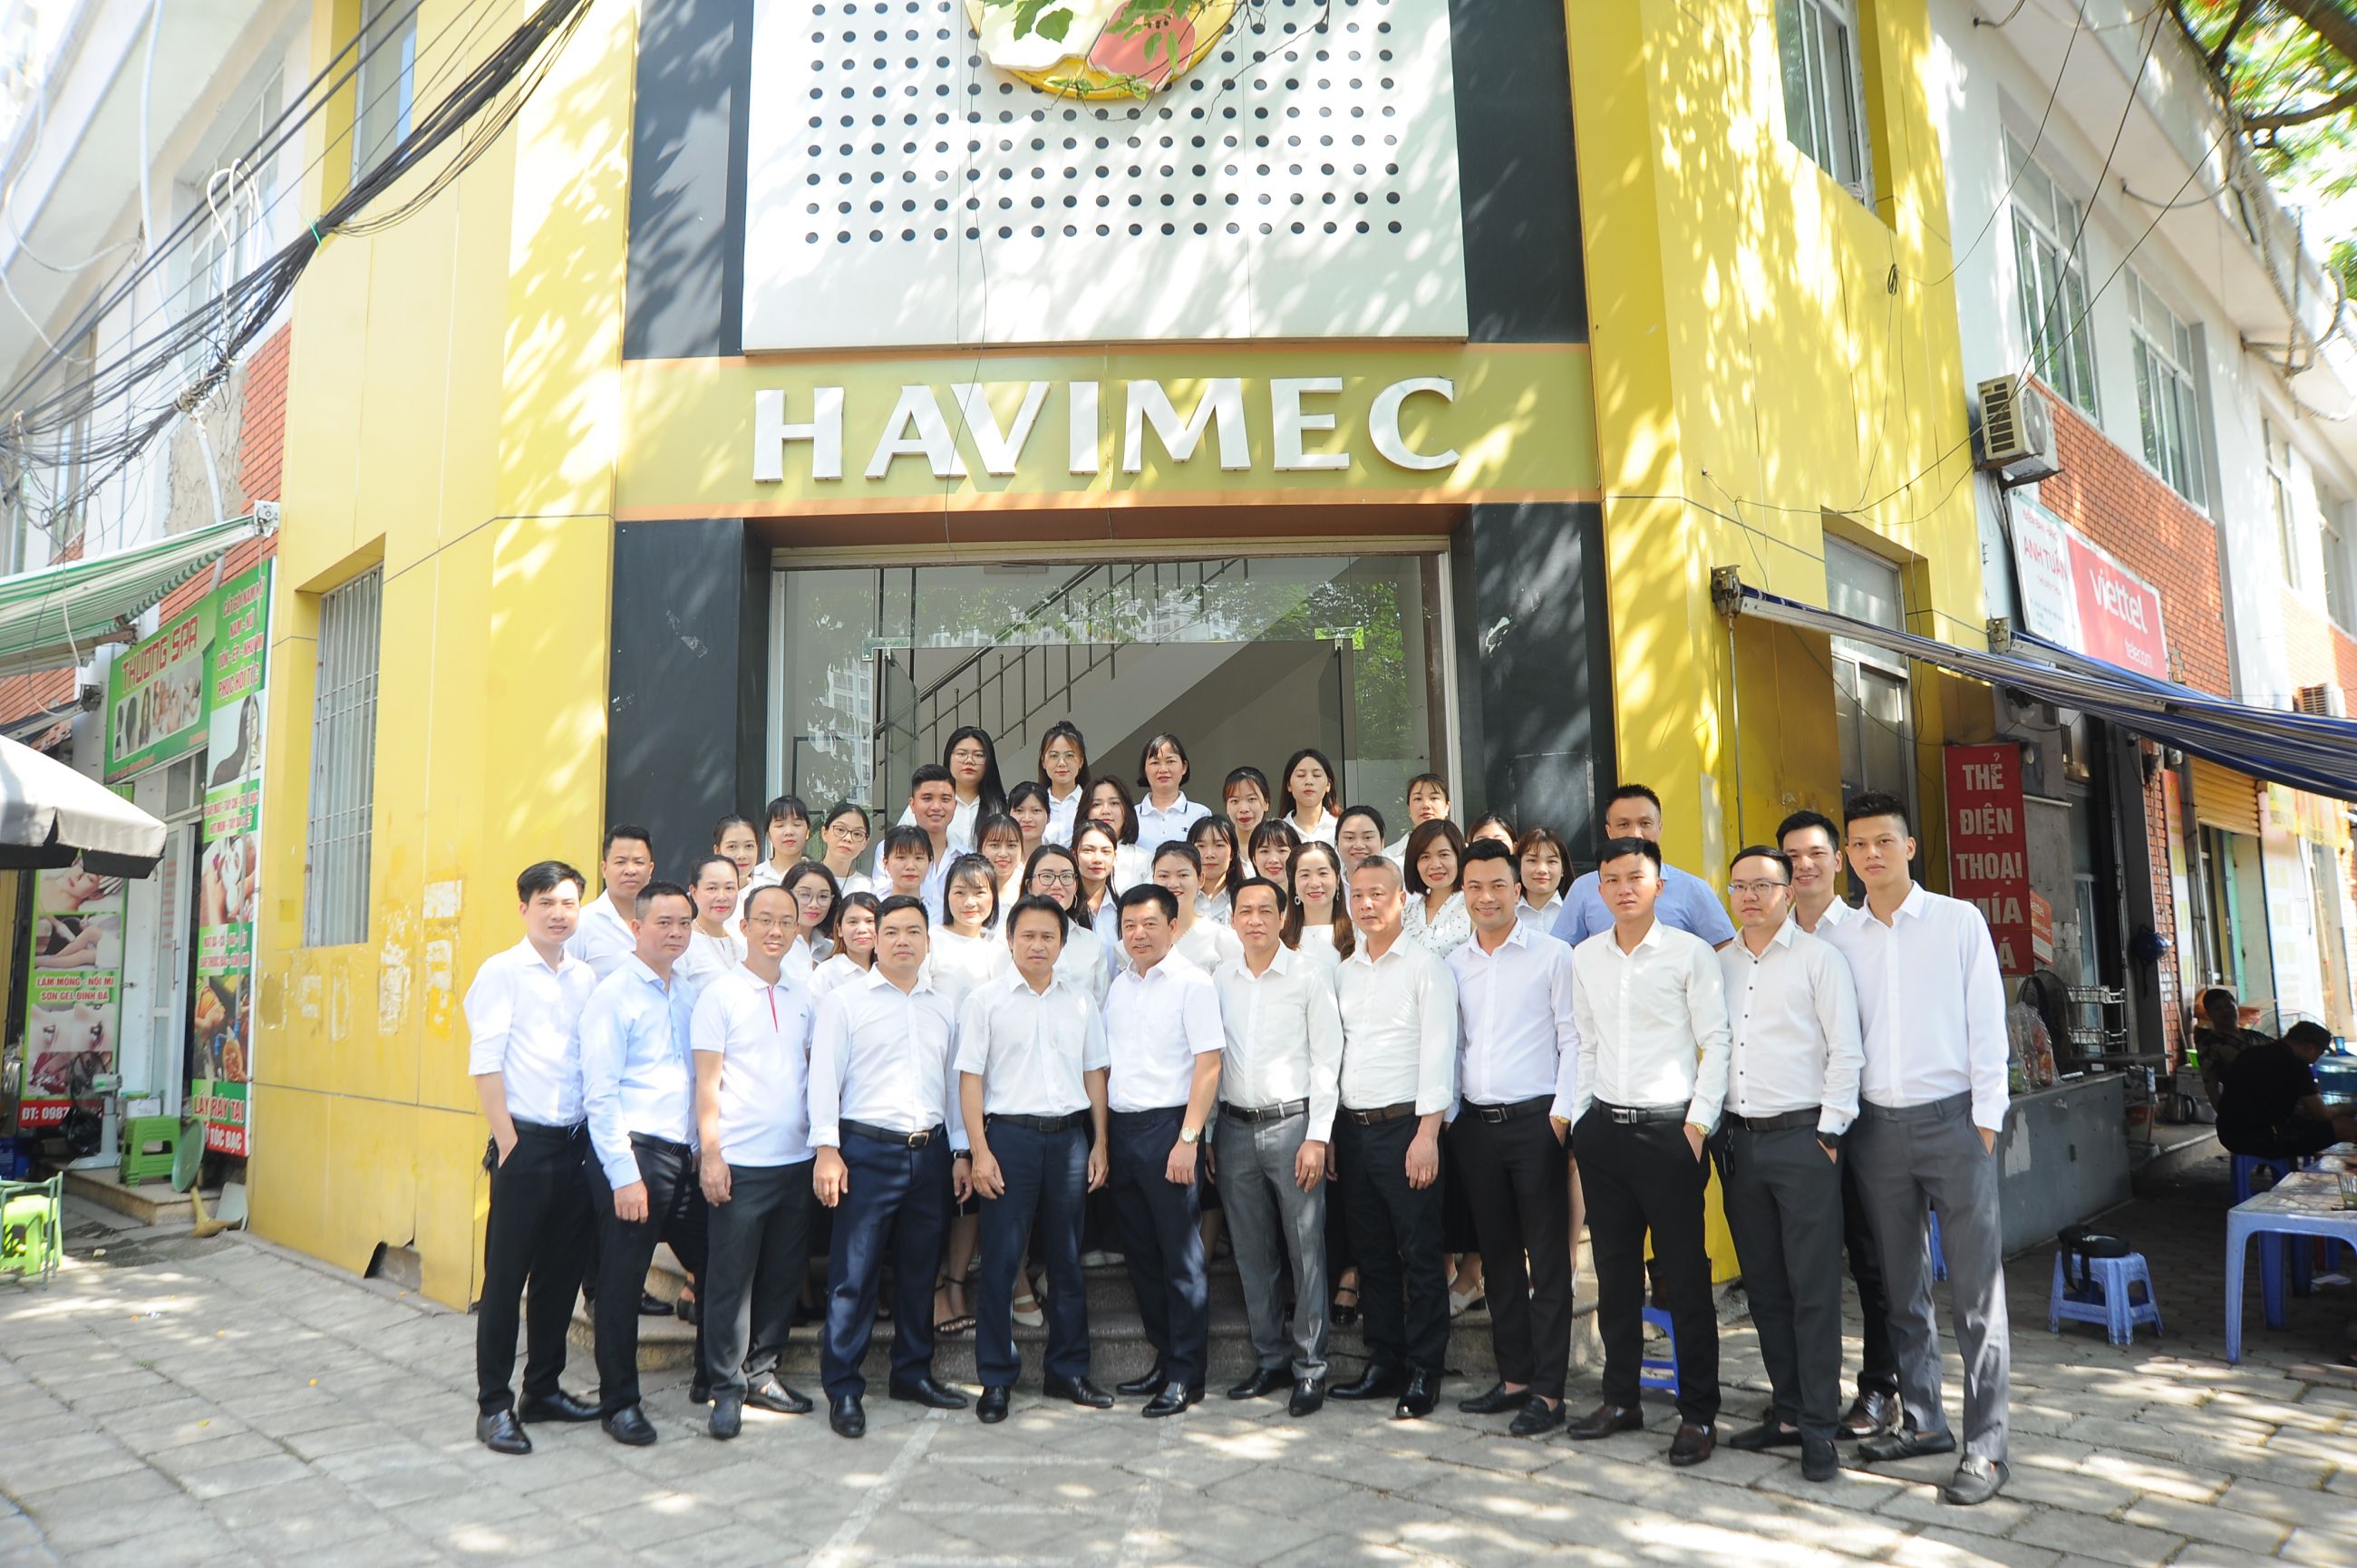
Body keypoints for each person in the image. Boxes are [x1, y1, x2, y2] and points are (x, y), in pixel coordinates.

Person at [1822, 792, 2012, 1507]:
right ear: (1847, 857)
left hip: (1954, 1124)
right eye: (1859, 844)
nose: (1871, 854)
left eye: (1884, 841)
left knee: (1976, 1297)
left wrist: (1986, 1119)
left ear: (1909, 847)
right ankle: (1925, 1420)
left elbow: (1987, 1022)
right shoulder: (1842, 938)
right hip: (1877, 1131)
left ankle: (1987, 1448)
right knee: (1901, 1289)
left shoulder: (1958, 922)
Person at [1565, 837, 1729, 1466]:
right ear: (1598, 889)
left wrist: (1698, 1124)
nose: (1623, 888)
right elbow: (1584, 1043)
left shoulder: (1689, 953)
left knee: (1684, 1278)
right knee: (1614, 1276)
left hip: (1671, 1134)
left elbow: (1717, 1040)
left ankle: (1699, 1413)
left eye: (1636, 877)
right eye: (1611, 878)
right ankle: (1620, 1399)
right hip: (1604, 1132)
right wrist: (1579, 1118)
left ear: (1659, 885)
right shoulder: (1586, 957)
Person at [1713, 846, 1862, 1484]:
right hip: (1739, 1144)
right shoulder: (1718, 964)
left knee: (1812, 1288)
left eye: (1762, 885)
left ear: (1788, 890)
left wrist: (1829, 1133)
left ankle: (1821, 1426)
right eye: (1739, 886)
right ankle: (1789, 1411)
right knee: (1765, 1287)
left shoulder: (1819, 959)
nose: (1749, 897)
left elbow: (1846, 1052)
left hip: (1804, 1142)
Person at [809, 895, 974, 1437]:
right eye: (893, 931)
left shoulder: (943, 1005)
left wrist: (960, 1151)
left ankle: (912, 1373)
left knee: (920, 1270)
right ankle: (844, 1387)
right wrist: (827, 1149)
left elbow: (953, 1085)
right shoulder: (845, 1002)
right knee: (853, 1276)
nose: (903, 941)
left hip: (930, 1152)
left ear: (928, 942)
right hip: (865, 1151)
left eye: (914, 932)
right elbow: (823, 1078)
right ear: (874, 939)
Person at [958, 895, 1117, 1422]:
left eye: (1049, 936)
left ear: (1062, 944)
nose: (1037, 945)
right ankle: (995, 1378)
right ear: (1010, 940)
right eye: (1027, 935)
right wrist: (979, 1151)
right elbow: (970, 1080)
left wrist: (1100, 1142)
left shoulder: (1081, 1001)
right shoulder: (986, 1001)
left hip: (1069, 1140)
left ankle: (1067, 1370)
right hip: (1010, 1141)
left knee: (1067, 1260)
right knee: (1002, 1261)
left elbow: (1095, 1073)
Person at [468, 861, 602, 1456]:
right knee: (506, 1281)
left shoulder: (586, 978)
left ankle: (542, 1389)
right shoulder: (501, 972)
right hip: (524, 1145)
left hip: (576, 1145)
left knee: (560, 1278)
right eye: (546, 902)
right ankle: (494, 1405)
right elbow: (486, 1064)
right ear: (523, 908)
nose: (558, 913)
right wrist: (509, 1142)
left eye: (568, 903)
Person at [1446, 841, 1578, 1438]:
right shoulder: (1454, 963)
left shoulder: (1553, 956)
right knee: (1497, 1258)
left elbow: (1573, 1039)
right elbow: (1454, 1045)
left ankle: (1550, 1392)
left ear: (1517, 891)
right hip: (1476, 1128)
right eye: (1474, 887)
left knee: (1546, 1261)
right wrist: (1454, 1118)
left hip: (1537, 1125)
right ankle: (1516, 1378)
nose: (1486, 897)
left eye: (1498, 885)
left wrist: (1561, 1117)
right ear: (1463, 894)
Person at [1777, 805, 1899, 1441]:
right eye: (1791, 856)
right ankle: (1802, 1395)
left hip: (1861, 1121)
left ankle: (1881, 1387)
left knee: (1871, 1257)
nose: (1804, 865)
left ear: (1837, 860)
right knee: (1799, 1265)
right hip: (1795, 1124)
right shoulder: (1768, 937)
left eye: (1816, 853)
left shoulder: (1862, 931)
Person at [1329, 855, 1458, 1420]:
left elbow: (1439, 1053)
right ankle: (1384, 1361)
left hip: (1408, 1130)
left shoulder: (1426, 967)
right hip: (1354, 1132)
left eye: (1378, 894)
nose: (1367, 904)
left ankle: (1425, 1370)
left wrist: (1428, 1133)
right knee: (1372, 1254)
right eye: (1358, 895)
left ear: (1401, 899)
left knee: (1421, 1255)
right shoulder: (1344, 972)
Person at [580, 881, 708, 1446]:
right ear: (636, 927)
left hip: (683, 1156)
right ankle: (619, 1403)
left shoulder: (689, 993)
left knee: (716, 1263)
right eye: (664, 922)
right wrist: (624, 1174)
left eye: (684, 923)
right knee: (621, 1283)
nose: (676, 933)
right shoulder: (614, 995)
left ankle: (711, 1375)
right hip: (635, 1154)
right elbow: (600, 1093)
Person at [692, 883, 820, 1439]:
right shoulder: (720, 994)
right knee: (730, 1282)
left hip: (795, 1160)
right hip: (740, 1163)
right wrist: (712, 1155)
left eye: (786, 921)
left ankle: (763, 1372)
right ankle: (725, 1388)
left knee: (782, 1278)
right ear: (743, 927)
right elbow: (706, 1084)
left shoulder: (803, 996)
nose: (775, 930)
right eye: (764, 919)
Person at [1214, 876, 1343, 1418]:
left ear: (1283, 915)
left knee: (1305, 1251)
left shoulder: (1309, 976)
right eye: (1245, 910)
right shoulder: (1220, 979)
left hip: (1293, 1127)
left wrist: (1318, 1135)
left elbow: (1327, 1058)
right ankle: (1269, 1359)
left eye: (1266, 910)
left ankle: (1310, 1368)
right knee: (1252, 1252)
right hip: (1233, 1128)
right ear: (1232, 919)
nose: (1255, 920)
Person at [1101, 884, 1225, 1416]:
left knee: (1181, 1258)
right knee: (1142, 1256)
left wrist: (1188, 1139)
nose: (1139, 934)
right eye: (1129, 925)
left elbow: (1209, 1064)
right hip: (1124, 1131)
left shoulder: (1193, 984)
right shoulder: (1118, 987)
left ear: (1173, 927)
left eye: (1150, 924)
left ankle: (1187, 1374)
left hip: (1171, 1130)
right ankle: (1165, 1355)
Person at [930, 853, 1008, 1338]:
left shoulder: (1000, 950)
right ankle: (936, 1287)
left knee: (972, 1196)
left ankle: (957, 1283)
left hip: (987, 1079)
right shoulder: (931, 941)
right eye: (959, 891)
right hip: (937, 1075)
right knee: (938, 1190)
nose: (970, 901)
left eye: (980, 891)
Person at [1552, 786, 1737, 949]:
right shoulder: (1583, 888)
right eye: (1624, 824)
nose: (1635, 834)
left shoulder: (1693, 889)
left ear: (1660, 828)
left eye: (1645, 824)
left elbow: (1724, 949)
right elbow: (1563, 952)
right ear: (1609, 831)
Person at [2218, 1021, 2357, 1158]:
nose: (2316, 1060)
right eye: (2319, 1054)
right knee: (2345, 1126)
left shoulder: (2249, 1053)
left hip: (2228, 1134)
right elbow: (2322, 1115)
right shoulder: (2297, 1065)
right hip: (2261, 1138)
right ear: (2310, 1048)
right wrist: (2344, 1108)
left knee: (2308, 1125)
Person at [1021, 843, 1117, 1005]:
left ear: (1075, 885)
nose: (1057, 885)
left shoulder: (1091, 942)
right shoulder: (1009, 940)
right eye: (1047, 876)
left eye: (1066, 877)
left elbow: (1099, 1008)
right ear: (1029, 885)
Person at [568, 826, 655, 979]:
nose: (630, 870)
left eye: (638, 862)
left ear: (651, 869)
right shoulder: (582, 923)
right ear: (604, 868)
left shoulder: (665, 922)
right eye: (620, 862)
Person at [900, 727, 1005, 852]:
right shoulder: (923, 807)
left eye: (978, 755)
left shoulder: (999, 808)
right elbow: (898, 847)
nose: (969, 761)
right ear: (948, 757)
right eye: (961, 754)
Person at [1151, 841, 1244, 973]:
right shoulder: (1140, 936)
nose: (1173, 884)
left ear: (1200, 879)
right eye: (1163, 876)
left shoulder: (1222, 939)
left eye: (1183, 875)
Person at [1402, 819, 1473, 958]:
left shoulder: (1473, 908)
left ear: (1459, 857)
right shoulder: (1406, 914)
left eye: (1444, 855)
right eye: (1425, 857)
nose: (1435, 865)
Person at [677, 856, 747, 992]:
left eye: (729, 888)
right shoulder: (682, 944)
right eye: (712, 888)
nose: (721, 897)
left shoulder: (741, 941)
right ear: (694, 892)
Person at [1284, 839, 1355, 970]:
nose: (1314, 883)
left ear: (1337, 878)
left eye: (1323, 873)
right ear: (1294, 883)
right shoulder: (1279, 939)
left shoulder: (1358, 936)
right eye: (1305, 875)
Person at [1135, 732, 1212, 848]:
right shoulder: (1131, 816)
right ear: (1145, 769)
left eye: (1170, 761)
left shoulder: (1200, 814)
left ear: (1184, 767)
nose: (1163, 769)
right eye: (1155, 763)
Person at [905, 766, 962, 914]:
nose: (936, 807)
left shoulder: (966, 856)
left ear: (955, 805)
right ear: (912, 804)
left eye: (945, 799)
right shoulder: (888, 850)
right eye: (927, 798)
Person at [1087, 776, 1154, 889]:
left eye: (1114, 803)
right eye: (1097, 804)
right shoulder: (1073, 857)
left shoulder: (1145, 859)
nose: (1106, 811)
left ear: (1126, 810)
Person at [810, 891, 878, 998]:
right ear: (839, 929)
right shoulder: (826, 973)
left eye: (870, 921)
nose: (861, 929)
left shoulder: (888, 971)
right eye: (853, 922)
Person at [780, 860, 840, 980]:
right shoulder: (775, 943)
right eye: (805, 895)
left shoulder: (831, 950)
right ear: (787, 894)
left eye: (823, 896)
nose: (814, 905)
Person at [875, 823, 942, 924]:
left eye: (918, 858)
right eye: (901, 857)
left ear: (929, 863)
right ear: (886, 863)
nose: (910, 866)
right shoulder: (874, 912)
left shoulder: (939, 915)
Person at [1037, 721, 1091, 846]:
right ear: (1043, 761)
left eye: (1069, 755)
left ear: (1081, 761)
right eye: (1054, 756)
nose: (1062, 763)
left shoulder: (1092, 803)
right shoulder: (1035, 805)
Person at [747, 796, 813, 892]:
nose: (789, 832)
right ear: (768, 835)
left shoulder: (818, 875)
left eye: (797, 824)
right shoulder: (753, 876)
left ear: (807, 832)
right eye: (780, 825)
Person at [1383, 773, 1452, 864]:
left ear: (1447, 807)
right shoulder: (1387, 857)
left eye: (1434, 798)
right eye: (1418, 799)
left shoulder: (1464, 851)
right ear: (1409, 808)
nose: (1426, 805)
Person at [1515, 827, 1568, 936]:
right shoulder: (1506, 914)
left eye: (1551, 861)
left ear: (1563, 869)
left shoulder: (1575, 912)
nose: (1542, 870)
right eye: (1532, 860)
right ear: (1518, 866)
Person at [1188, 814, 1240, 925]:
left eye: (1219, 845)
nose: (1210, 854)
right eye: (1201, 846)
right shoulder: (1180, 897)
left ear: (1232, 853)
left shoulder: (1245, 896)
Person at [976, 811, 1028, 924]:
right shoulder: (969, 883)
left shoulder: (1030, 886)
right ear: (980, 849)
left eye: (1011, 845)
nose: (1003, 853)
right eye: (995, 845)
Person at [1282, 748, 1342, 843]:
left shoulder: (1341, 829)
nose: (1309, 782)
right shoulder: (1278, 832)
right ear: (1289, 785)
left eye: (1317, 775)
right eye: (1301, 775)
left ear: (1328, 785)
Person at [1073, 820, 1126, 923]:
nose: (1097, 859)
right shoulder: (1064, 908)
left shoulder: (1124, 909)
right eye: (1088, 850)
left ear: (1115, 856)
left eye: (1105, 851)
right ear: (1074, 855)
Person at [818, 802, 871, 894]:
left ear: (865, 843)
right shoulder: (802, 878)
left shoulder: (868, 888)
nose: (848, 838)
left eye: (857, 834)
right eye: (840, 829)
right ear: (824, 833)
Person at [710, 815, 763, 900]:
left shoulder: (767, 895)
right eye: (732, 846)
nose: (741, 855)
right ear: (717, 851)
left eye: (749, 846)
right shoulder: (700, 898)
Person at [1223, 766, 1274, 844]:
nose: (1244, 809)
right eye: (1235, 801)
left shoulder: (1281, 844)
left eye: (1252, 799)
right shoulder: (1220, 848)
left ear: (1266, 803)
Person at [1249, 819, 1303, 889]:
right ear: (1254, 859)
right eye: (1264, 851)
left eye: (1282, 851)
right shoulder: (1243, 895)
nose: (1273, 860)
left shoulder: (1309, 894)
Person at [1006, 782, 1054, 861]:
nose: (1027, 819)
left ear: (1048, 817)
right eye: (1019, 810)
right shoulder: (997, 858)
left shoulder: (1057, 859)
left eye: (1036, 810)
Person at [1336, 806, 1389, 871]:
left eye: (1368, 837)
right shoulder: (1328, 877)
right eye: (1350, 838)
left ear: (1382, 842)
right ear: (1337, 843)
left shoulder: (1396, 876)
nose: (1359, 846)